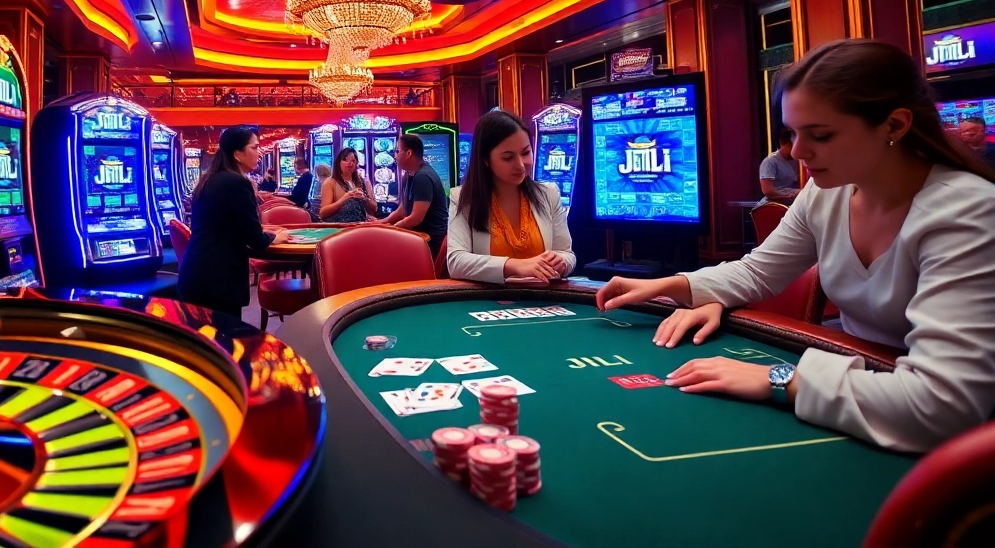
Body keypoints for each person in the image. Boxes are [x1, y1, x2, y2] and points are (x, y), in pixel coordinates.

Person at [594, 39, 995, 453]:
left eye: (820, 134)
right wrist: (668, 285)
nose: (799, 151)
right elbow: (758, 272)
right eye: (792, 134)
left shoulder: (967, 211)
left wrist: (781, 379)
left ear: (894, 125)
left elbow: (942, 406)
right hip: (862, 385)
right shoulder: (826, 192)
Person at [448, 110, 575, 282]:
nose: (521, 165)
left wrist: (561, 262)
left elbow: (566, 254)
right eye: (508, 158)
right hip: (490, 296)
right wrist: (514, 266)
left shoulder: (548, 193)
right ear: (485, 159)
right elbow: (456, 262)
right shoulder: (463, 198)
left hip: (542, 294)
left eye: (526, 153)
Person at [178, 126, 288, 316]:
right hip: (217, 280)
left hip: (197, 273)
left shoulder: (211, 178)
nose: (259, 153)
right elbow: (256, 240)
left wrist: (263, 231)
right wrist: (275, 237)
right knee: (225, 335)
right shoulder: (236, 182)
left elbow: (227, 226)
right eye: (255, 147)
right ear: (237, 154)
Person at [383, 133, 449, 259]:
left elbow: (416, 218)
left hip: (431, 241)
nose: (395, 156)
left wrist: (392, 229)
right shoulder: (409, 175)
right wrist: (382, 222)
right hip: (418, 236)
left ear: (408, 153)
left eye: (397, 151)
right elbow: (402, 210)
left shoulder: (423, 177)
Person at [320, 148, 376, 223]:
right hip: (339, 227)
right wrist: (345, 198)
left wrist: (365, 199)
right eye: (346, 160)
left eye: (353, 161)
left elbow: (374, 208)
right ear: (339, 162)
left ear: (356, 164)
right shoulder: (330, 182)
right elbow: (323, 213)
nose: (350, 163)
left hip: (360, 225)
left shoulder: (360, 181)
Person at [759, 128, 801, 204]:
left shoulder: (801, 161)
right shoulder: (770, 162)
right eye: (794, 146)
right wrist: (791, 195)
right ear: (785, 144)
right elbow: (768, 191)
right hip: (774, 205)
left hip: (796, 203)